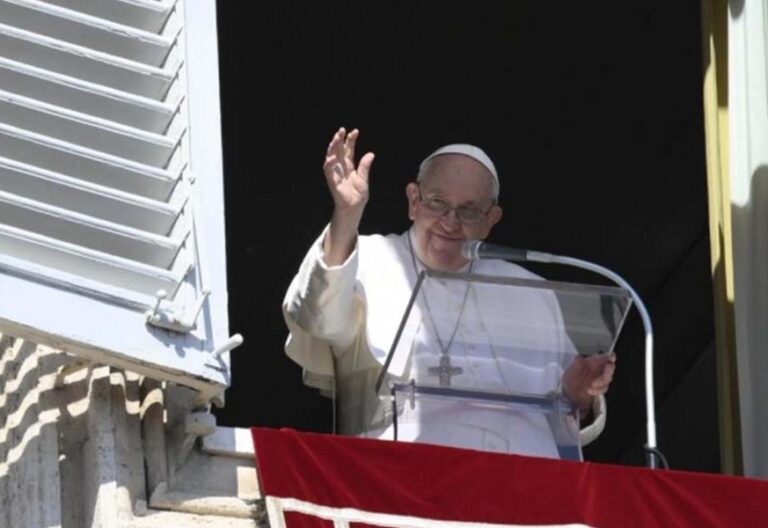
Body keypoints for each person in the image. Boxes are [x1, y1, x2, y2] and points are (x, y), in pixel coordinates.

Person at [283, 127, 616, 458]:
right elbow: (317, 316)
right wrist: (346, 216)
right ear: (414, 201)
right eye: (438, 203)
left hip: (528, 477)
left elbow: (565, 421)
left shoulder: (531, 290)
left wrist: (578, 393)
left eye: (468, 211)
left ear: (491, 220)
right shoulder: (368, 258)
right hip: (403, 470)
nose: (450, 222)